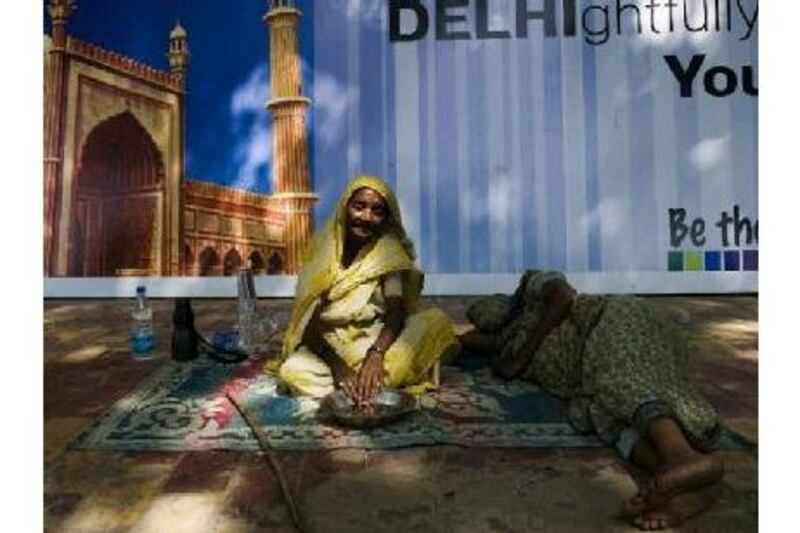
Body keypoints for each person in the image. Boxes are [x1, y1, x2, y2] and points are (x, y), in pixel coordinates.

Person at [458, 270, 724, 531]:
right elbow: (462, 341)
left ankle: (681, 455)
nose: (481, 318)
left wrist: (520, 357)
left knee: (620, 377)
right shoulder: (506, 339)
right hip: (584, 376)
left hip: (615, 324)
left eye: (486, 311)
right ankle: (687, 488)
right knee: (601, 416)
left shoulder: (533, 288)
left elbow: (562, 297)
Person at [275, 176, 459, 404]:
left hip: (376, 339)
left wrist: (376, 354)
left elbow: (395, 312)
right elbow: (310, 326)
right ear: (345, 207)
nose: (366, 217)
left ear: (385, 219)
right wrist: (338, 367)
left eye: (377, 211)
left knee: (434, 322)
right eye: (359, 207)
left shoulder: (388, 252)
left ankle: (361, 383)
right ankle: (369, 385)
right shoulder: (324, 252)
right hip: (331, 343)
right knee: (292, 371)